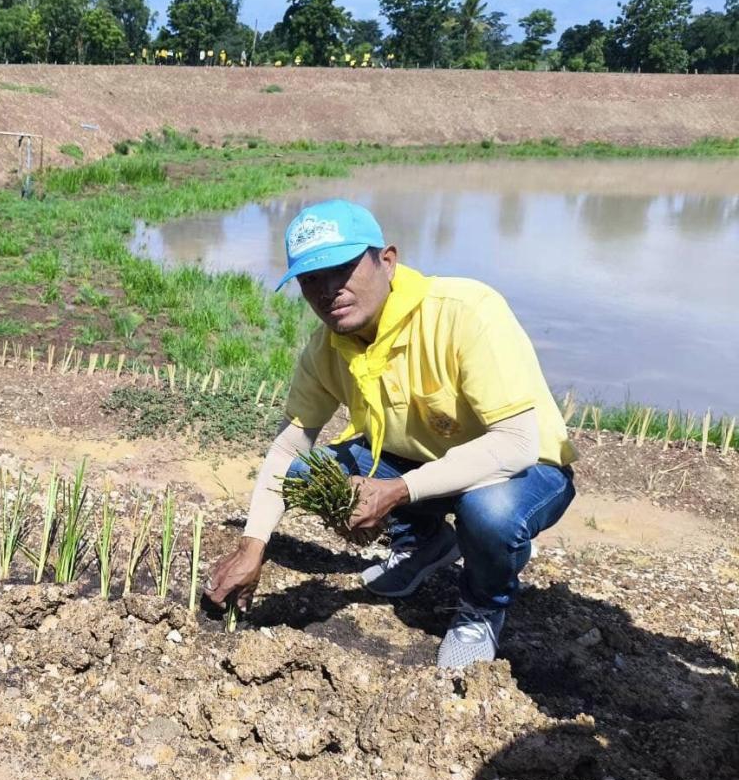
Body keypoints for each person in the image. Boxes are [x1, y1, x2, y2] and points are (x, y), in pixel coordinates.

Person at [204, 200, 576, 668]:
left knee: (489, 512)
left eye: (342, 269)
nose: (328, 291)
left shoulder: (463, 311)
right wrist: (252, 546)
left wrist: (396, 491)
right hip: (420, 461)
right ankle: (425, 544)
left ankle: (482, 607)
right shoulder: (326, 347)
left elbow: (516, 444)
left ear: (387, 260)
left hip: (525, 469)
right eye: (311, 280)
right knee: (307, 472)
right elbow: (288, 448)